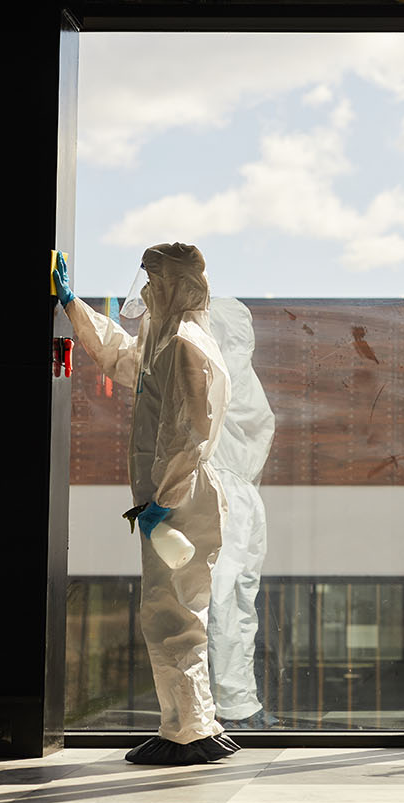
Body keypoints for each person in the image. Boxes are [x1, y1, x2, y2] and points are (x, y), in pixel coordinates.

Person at [54, 244, 240, 764]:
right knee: (178, 612)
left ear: (173, 286)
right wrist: (72, 304)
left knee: (170, 615)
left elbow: (188, 432)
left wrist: (163, 499)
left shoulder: (184, 344)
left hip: (180, 498)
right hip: (174, 497)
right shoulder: (165, 339)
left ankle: (187, 733)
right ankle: (195, 723)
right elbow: (120, 354)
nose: (146, 292)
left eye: (154, 282)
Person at [205, 296, 277, 729]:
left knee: (229, 601)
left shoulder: (218, 375)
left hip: (234, 495)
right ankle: (234, 705)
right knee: (230, 602)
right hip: (238, 495)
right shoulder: (233, 379)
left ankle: (234, 704)